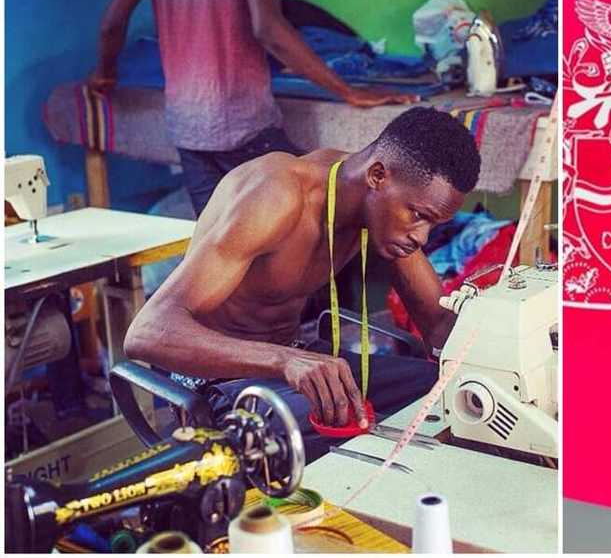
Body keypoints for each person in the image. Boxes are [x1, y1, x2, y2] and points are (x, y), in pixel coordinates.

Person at [123, 107, 480, 453]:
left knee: (447, 395)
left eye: (432, 224)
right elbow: (147, 333)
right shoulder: (276, 197)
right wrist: (285, 361)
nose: (422, 236)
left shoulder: (382, 208)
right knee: (337, 443)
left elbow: (437, 325)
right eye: (418, 216)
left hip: (296, 362)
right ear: (376, 176)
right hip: (216, 383)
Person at [90, 0, 417, 216]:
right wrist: (348, 91)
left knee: (221, 248)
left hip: (188, 129)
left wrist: (105, 73)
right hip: (244, 125)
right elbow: (269, 28)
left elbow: (111, 23)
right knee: (319, 228)